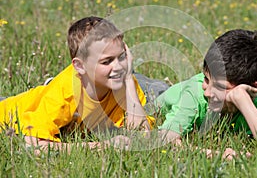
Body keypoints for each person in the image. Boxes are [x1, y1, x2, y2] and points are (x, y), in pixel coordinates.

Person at [0, 16, 155, 151]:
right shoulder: (66, 91)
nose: (118, 67)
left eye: (121, 57)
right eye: (107, 61)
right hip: (7, 112)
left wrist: (128, 79)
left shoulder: (124, 80)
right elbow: (33, 145)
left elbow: (142, 134)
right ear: (80, 66)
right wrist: (101, 146)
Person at [156, 29, 257, 158]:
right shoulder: (194, 93)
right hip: (152, 95)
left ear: (252, 87)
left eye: (220, 87)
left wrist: (243, 101)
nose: (208, 92)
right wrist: (217, 155)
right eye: (206, 79)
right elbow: (166, 139)